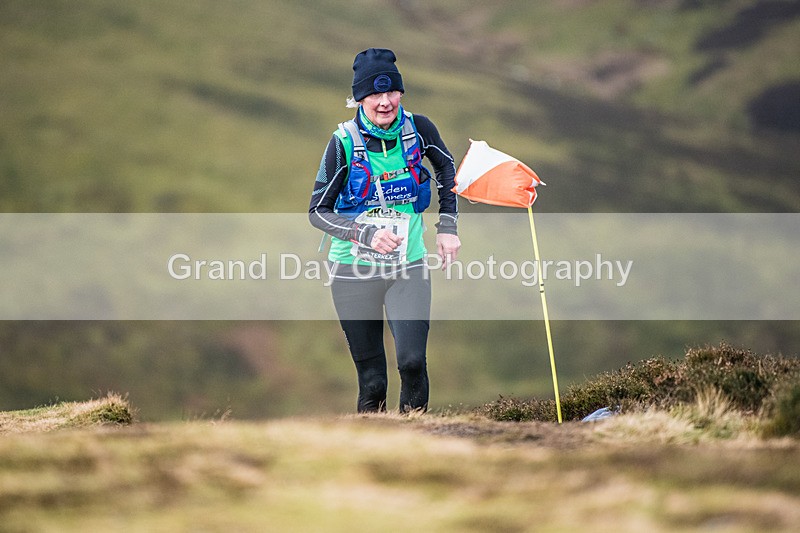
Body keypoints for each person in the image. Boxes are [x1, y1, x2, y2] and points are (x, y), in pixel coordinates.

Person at [309, 48, 460, 413]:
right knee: (373, 380)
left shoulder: (419, 129)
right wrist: (365, 234)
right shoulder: (343, 143)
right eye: (374, 94)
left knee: (411, 363)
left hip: (407, 265)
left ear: (401, 94)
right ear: (359, 98)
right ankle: (374, 454)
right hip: (351, 270)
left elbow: (447, 169)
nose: (384, 102)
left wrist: (447, 226)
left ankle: (416, 444)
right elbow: (318, 211)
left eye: (391, 92)